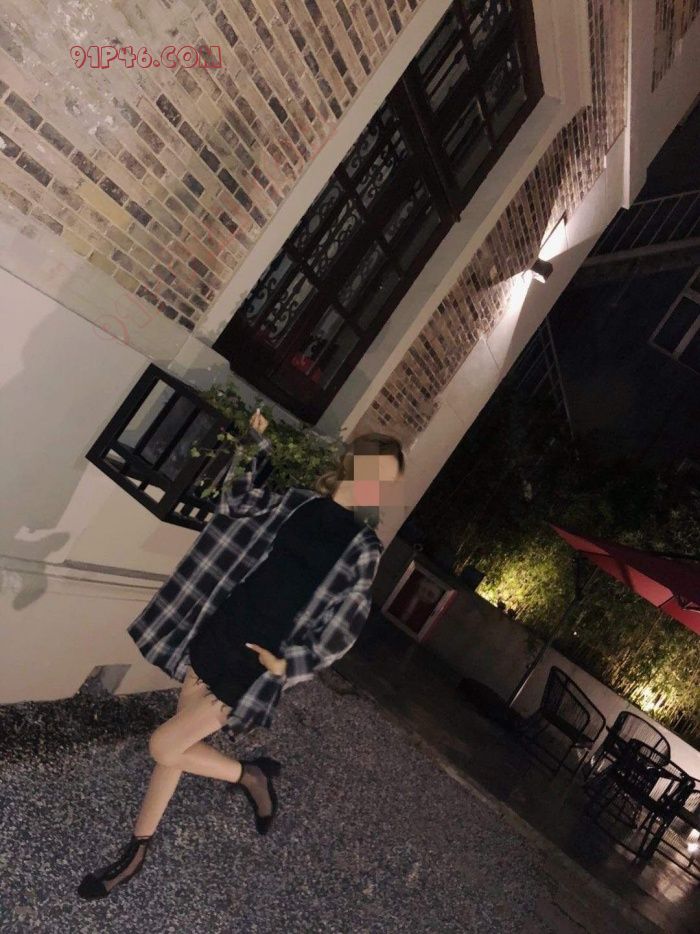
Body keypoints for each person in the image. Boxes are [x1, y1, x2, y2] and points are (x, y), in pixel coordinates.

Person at [77, 408, 405, 899]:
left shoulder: (364, 547)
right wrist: (256, 445)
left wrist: (290, 664)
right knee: (176, 750)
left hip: (256, 662)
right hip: (222, 628)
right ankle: (137, 852)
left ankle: (250, 775)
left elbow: (345, 627)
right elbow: (238, 502)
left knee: (165, 746)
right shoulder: (297, 502)